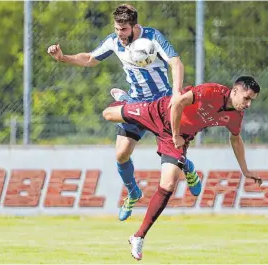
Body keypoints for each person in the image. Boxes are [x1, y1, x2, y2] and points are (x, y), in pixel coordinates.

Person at [47, 4, 201, 221]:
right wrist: (64, 57)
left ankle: (189, 168)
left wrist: (176, 93)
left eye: (124, 30)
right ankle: (133, 192)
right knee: (121, 154)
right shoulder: (113, 41)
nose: (120, 34)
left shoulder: (152, 37)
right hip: (137, 104)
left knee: (174, 148)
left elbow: (176, 62)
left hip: (163, 103)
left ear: (135, 26)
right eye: (117, 29)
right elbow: (90, 59)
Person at [103, 76, 263, 260]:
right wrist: (176, 134)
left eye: (252, 100)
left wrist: (245, 170)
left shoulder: (235, 116)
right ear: (235, 91)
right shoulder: (212, 91)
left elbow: (235, 139)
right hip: (160, 112)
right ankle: (128, 100)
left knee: (169, 185)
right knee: (108, 114)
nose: (248, 104)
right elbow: (178, 102)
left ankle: (138, 236)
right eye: (247, 98)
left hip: (177, 137)